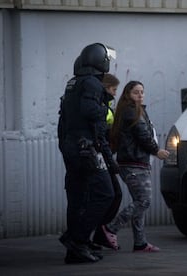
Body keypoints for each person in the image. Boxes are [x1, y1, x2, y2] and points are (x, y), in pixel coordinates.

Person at [57, 43, 119, 264]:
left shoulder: (73, 83)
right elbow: (90, 111)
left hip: (71, 147)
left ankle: (75, 251)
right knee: (105, 193)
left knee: (78, 198)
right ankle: (76, 239)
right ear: (100, 61)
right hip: (85, 148)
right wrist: (108, 110)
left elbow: (64, 119)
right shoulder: (93, 83)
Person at [97, 80, 170, 252]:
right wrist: (156, 151)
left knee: (139, 202)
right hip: (133, 163)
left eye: (142, 92)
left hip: (136, 162)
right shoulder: (130, 111)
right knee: (143, 200)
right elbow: (143, 135)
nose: (140, 95)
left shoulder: (136, 110)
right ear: (128, 94)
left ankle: (140, 242)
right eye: (136, 92)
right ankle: (111, 228)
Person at [92, 73, 123, 248]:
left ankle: (99, 233)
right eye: (113, 89)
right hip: (101, 157)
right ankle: (97, 232)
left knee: (113, 195)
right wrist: (111, 161)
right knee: (111, 195)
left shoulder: (106, 106)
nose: (115, 93)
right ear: (105, 88)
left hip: (105, 155)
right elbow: (102, 135)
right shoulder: (100, 106)